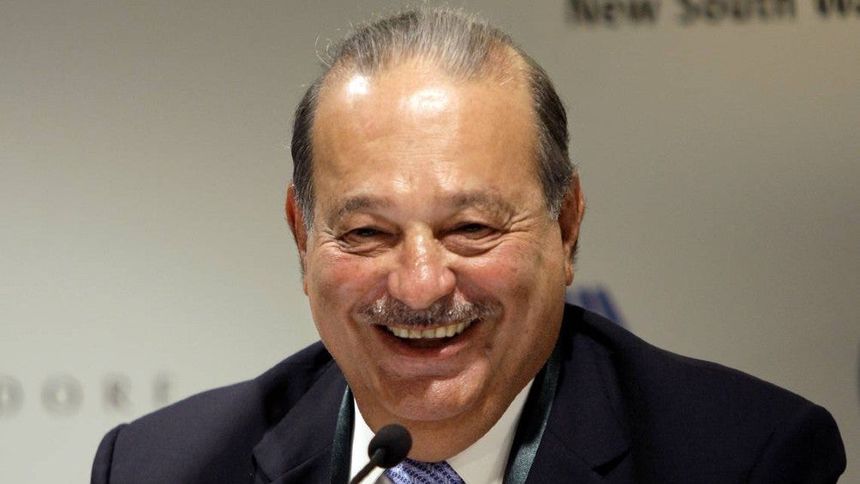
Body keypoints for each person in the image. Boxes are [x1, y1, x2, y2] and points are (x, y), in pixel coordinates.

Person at [91, 7, 846, 484]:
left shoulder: (746, 458)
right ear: (301, 235)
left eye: (472, 230)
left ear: (567, 226)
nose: (420, 286)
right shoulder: (159, 468)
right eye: (367, 233)